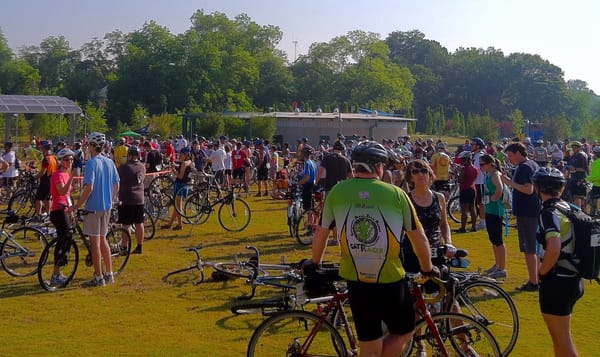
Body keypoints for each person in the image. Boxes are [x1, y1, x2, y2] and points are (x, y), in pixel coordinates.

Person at [307, 140, 437, 357]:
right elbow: (419, 237)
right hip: (391, 278)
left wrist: (314, 263)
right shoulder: (396, 194)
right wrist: (427, 269)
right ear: (379, 167)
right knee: (404, 331)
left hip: (355, 278)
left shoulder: (337, 191)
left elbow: (321, 232)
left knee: (369, 340)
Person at [533, 167, 584, 357]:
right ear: (561, 189)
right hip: (574, 278)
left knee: (563, 340)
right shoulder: (571, 208)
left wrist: (541, 272)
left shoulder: (548, 212)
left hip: (558, 281)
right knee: (560, 340)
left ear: (538, 188)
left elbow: (553, 248)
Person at [72, 132, 120, 287]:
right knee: (103, 239)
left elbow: (89, 187)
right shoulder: (109, 162)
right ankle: (109, 273)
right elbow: (116, 184)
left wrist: (77, 205)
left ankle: (98, 277)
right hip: (106, 206)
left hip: (93, 207)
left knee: (95, 243)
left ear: (92, 146)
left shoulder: (92, 163)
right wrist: (110, 198)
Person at [501, 142, 541, 291]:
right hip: (531, 211)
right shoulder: (531, 164)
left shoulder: (525, 167)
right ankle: (537, 278)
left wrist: (508, 182)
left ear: (518, 153)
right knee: (533, 248)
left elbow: (528, 189)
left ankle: (533, 282)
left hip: (527, 213)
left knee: (529, 249)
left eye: (510, 156)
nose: (509, 159)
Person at [48, 148, 77, 285]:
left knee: (66, 239)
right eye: (67, 159)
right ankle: (56, 273)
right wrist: (72, 178)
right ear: (61, 161)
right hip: (58, 211)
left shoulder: (66, 174)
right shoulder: (58, 175)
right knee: (64, 239)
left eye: (71, 159)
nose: (70, 162)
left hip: (65, 209)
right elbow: (61, 191)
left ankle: (58, 270)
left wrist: (72, 210)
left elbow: (67, 196)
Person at [478, 154, 508, 279]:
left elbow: (499, 189)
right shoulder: (489, 174)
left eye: (482, 164)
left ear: (490, 164)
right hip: (490, 209)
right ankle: (497, 264)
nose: (480, 167)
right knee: (493, 239)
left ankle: (502, 268)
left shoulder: (495, 174)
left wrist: (494, 198)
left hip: (496, 210)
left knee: (498, 240)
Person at [117, 146, 146, 254]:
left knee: (126, 224)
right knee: (139, 223)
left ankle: (125, 247)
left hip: (127, 198)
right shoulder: (142, 167)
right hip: (140, 198)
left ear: (129, 155)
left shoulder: (124, 167)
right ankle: (139, 246)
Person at [161, 147, 193, 230]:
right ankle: (170, 224)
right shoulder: (189, 162)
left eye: (181, 154)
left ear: (185, 155)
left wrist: (174, 171)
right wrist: (176, 166)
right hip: (185, 185)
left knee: (178, 207)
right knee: (177, 207)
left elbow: (180, 176)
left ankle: (180, 225)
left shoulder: (184, 163)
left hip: (180, 184)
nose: (180, 156)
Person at [455, 151, 478, 233]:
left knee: (464, 209)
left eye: (462, 159)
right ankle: (474, 227)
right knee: (472, 208)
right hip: (472, 189)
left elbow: (460, 180)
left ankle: (463, 227)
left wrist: (457, 173)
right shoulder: (475, 169)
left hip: (465, 189)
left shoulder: (464, 169)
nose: (461, 161)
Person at [34, 141, 58, 218]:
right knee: (48, 199)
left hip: (45, 181)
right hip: (51, 180)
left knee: (38, 199)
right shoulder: (53, 157)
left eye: (41, 148)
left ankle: (38, 215)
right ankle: (48, 214)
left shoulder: (46, 159)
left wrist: (35, 177)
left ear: (44, 148)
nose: (41, 149)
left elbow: (43, 172)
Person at [565, 141, 588, 208]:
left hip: (580, 178)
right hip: (573, 178)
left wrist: (575, 169)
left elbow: (585, 169)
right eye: (572, 147)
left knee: (579, 196)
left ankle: (582, 211)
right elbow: (569, 166)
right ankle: (578, 211)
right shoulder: (572, 156)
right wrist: (568, 173)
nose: (573, 149)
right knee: (574, 196)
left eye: (575, 147)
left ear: (579, 148)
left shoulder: (582, 156)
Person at [471, 137, 487, 230]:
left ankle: (483, 222)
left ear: (478, 146)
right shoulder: (476, 155)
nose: (471, 146)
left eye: (473, 145)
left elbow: (476, 170)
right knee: (479, 203)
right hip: (477, 181)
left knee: (481, 203)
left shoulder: (479, 156)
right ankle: (482, 220)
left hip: (480, 181)